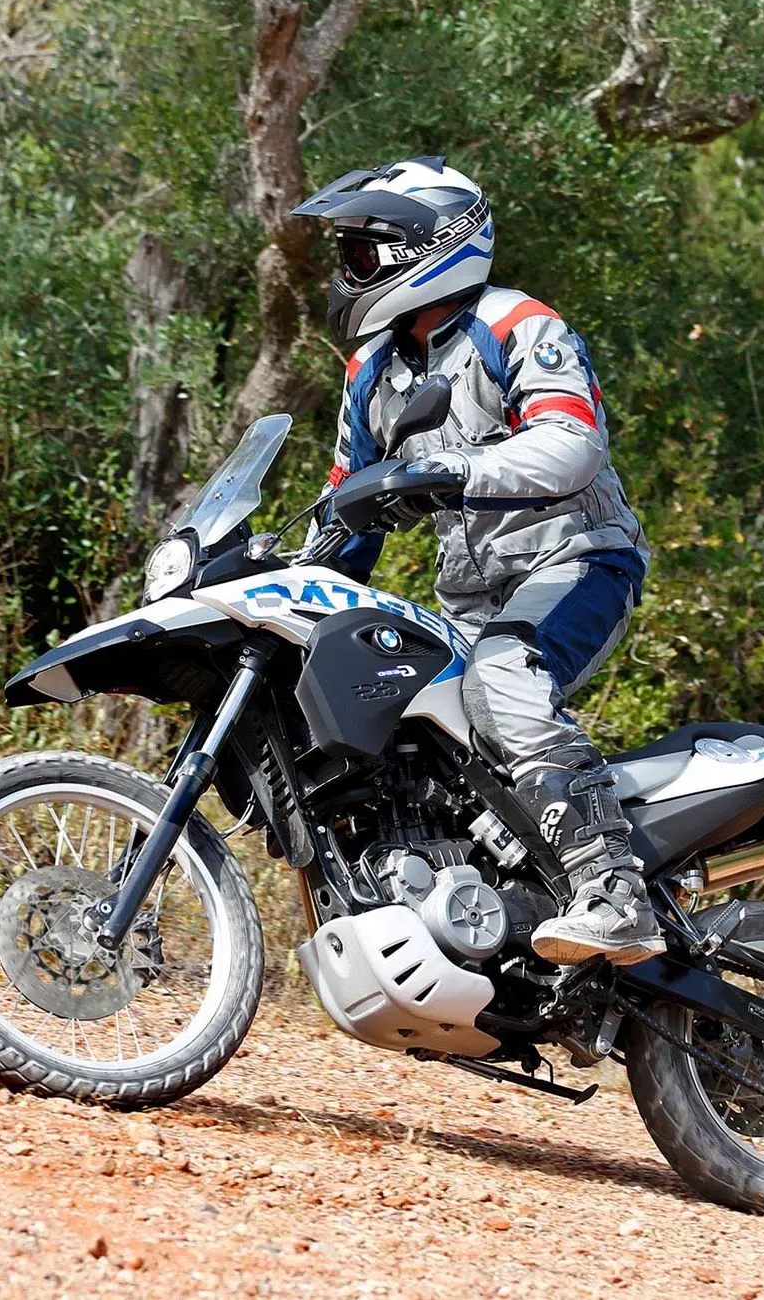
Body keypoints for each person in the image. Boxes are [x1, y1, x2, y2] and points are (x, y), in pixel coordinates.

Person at [291, 157, 662, 965]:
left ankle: (614, 891)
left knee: (503, 677)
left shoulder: (516, 325)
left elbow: (572, 445)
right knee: (404, 722)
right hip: (468, 598)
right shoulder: (372, 372)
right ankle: (492, 904)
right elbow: (347, 513)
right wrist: (274, 572)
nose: (347, 273)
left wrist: (455, 468)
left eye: (362, 254)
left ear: (429, 247)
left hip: (575, 561)